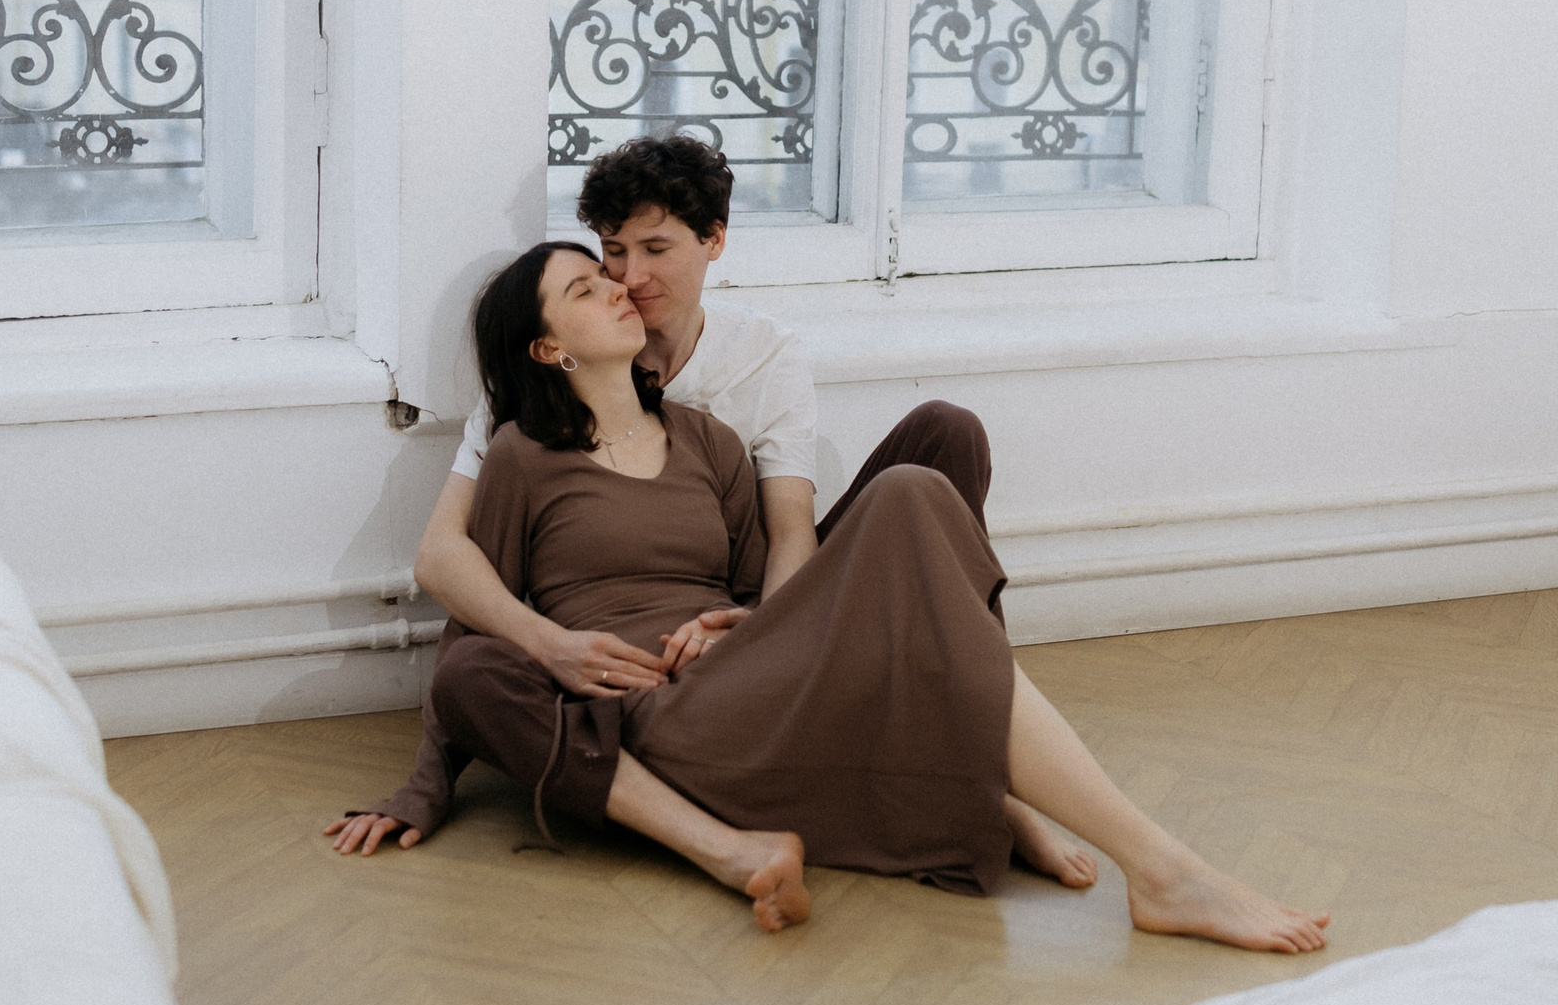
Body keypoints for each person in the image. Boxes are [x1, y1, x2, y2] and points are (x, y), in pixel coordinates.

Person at [326, 242, 1330, 958]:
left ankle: (1116, 844)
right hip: (659, 717)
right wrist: (427, 784)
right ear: (550, 349)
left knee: (918, 484)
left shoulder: (710, 442)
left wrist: (748, 622)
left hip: (748, 680)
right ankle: (1150, 864)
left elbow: (766, 587)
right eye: (587, 289)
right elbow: (472, 625)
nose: (621, 288)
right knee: (473, 668)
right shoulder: (522, 457)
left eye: (616, 273)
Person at [414, 132, 994, 675]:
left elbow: (789, 531)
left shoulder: (764, 353)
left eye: (656, 248)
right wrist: (549, 644)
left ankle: (978, 677)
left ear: (713, 239)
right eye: (613, 251)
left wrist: (762, 635)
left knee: (946, 432)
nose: (630, 276)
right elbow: (441, 552)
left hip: (763, 590)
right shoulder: (564, 357)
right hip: (623, 621)